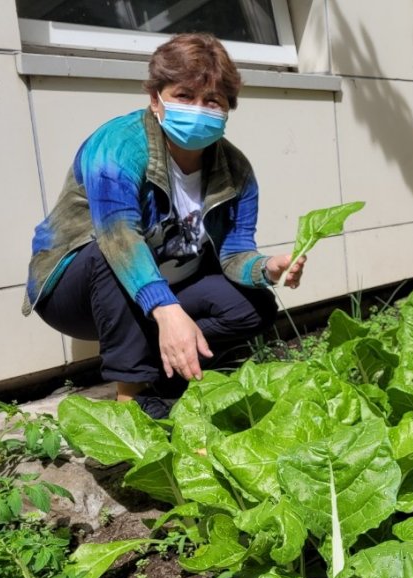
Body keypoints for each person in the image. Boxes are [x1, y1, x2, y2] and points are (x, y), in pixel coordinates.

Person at [22, 33, 306, 418]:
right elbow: (119, 237)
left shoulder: (236, 170)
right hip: (75, 292)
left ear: (228, 109)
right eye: (184, 96)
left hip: (166, 286)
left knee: (253, 306)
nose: (198, 109)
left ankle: (168, 376)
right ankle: (133, 401)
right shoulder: (118, 144)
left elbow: (235, 251)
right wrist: (167, 311)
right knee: (112, 251)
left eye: (213, 100)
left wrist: (266, 268)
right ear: (156, 99)